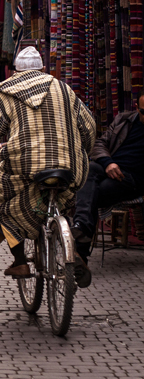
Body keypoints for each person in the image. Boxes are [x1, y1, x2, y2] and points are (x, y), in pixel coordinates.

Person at [0, 46, 95, 283]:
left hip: (26, 165)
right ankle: (69, 241)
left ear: (15, 71)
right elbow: (89, 127)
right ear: (43, 69)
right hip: (69, 165)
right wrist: (83, 152)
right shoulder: (64, 89)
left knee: (3, 199)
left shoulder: (6, 93)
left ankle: (20, 261)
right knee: (66, 196)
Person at [71, 91, 144, 285]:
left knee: (92, 193)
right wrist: (108, 162)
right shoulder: (124, 120)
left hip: (132, 179)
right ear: (137, 107)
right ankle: (82, 234)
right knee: (89, 170)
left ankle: (81, 236)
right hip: (109, 167)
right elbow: (100, 143)